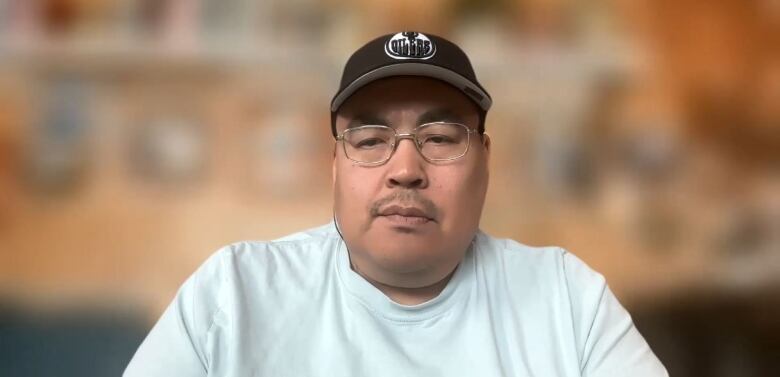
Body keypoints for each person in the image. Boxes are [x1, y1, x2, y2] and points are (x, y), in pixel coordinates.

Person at [124, 31, 667, 376]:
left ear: (485, 160)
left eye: (441, 136)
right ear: (335, 167)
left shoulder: (568, 301)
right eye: (369, 140)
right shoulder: (232, 295)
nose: (405, 169)